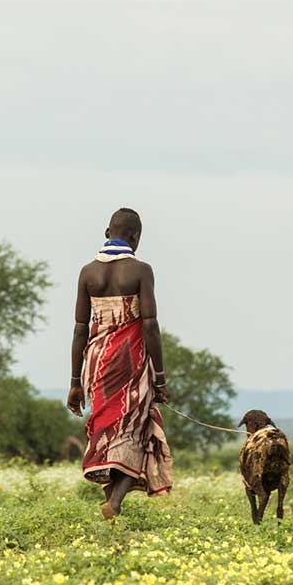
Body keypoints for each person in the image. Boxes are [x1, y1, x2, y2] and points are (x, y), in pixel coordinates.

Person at [68, 207, 173, 519]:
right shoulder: (141, 271)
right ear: (136, 237)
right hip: (130, 359)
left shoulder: (87, 272)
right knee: (136, 429)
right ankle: (114, 503)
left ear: (106, 232)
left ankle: (111, 508)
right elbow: (150, 325)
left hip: (96, 363)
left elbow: (79, 330)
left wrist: (75, 382)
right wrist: (161, 377)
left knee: (105, 430)